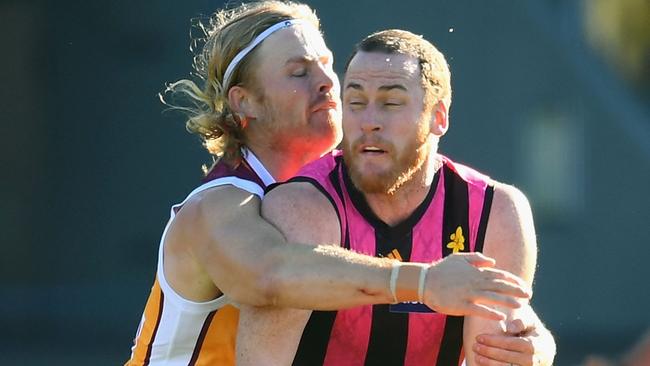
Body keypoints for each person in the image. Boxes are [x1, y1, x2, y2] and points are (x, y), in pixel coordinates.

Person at [236, 29, 556, 366]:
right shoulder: (301, 206)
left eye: (391, 103)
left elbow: (492, 358)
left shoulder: (494, 211)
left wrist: (533, 350)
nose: (369, 122)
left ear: (439, 117)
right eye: (355, 103)